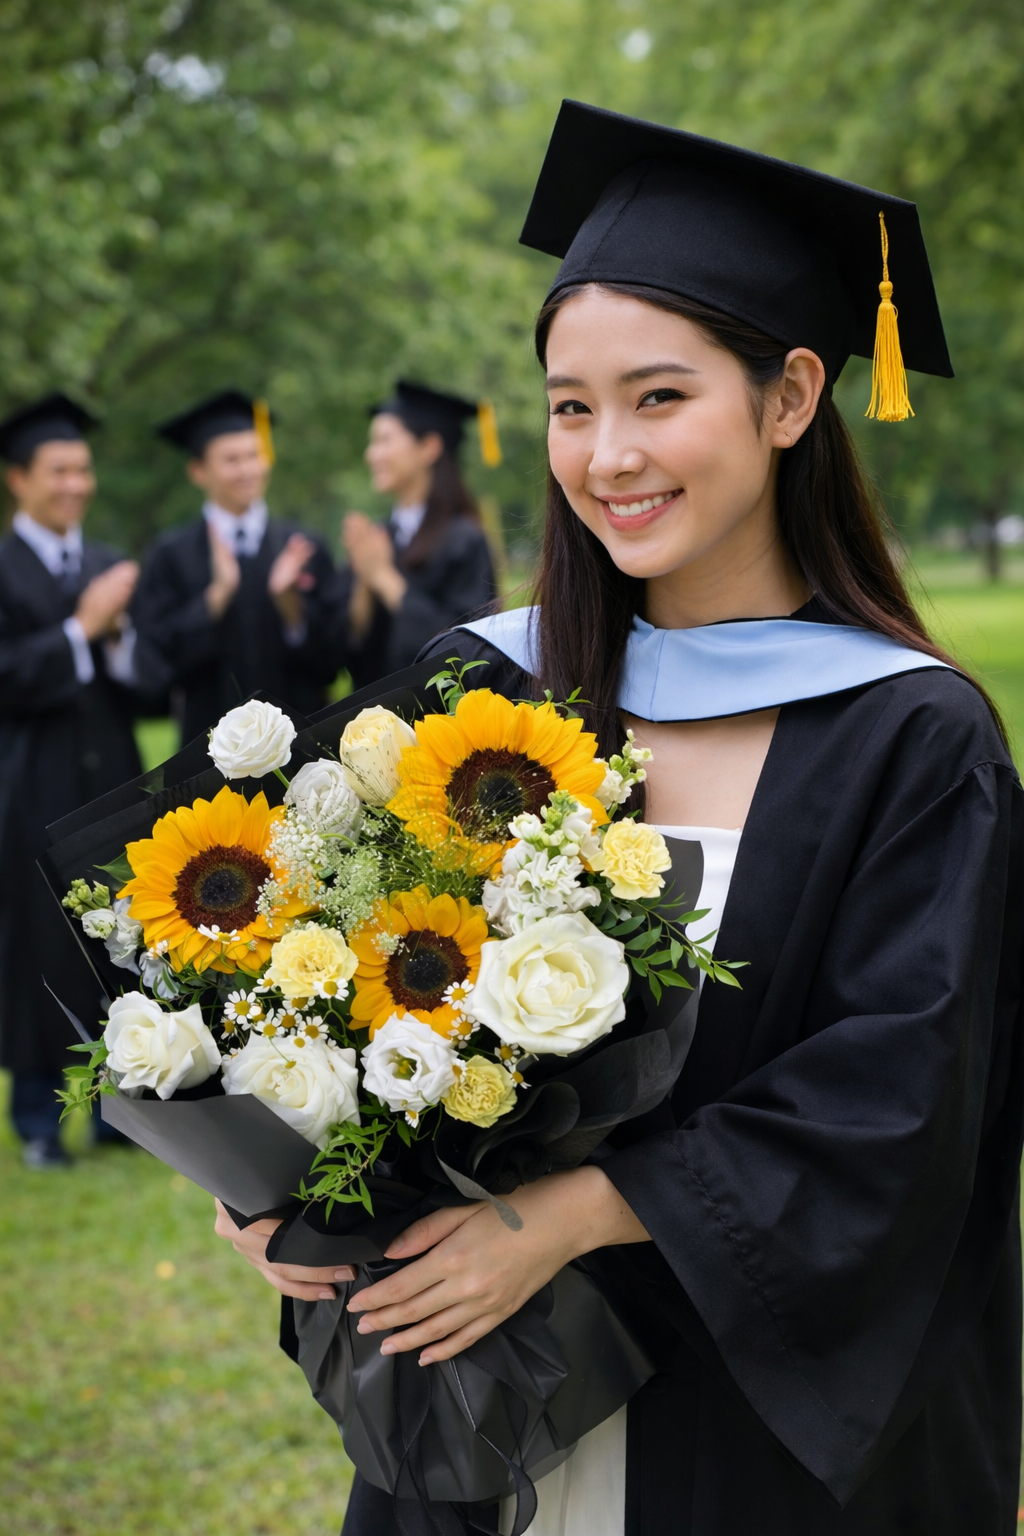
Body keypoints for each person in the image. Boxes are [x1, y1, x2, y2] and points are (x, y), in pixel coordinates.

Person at [214, 103, 1024, 1536]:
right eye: (570, 404)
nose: (606, 457)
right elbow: (320, 973)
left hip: (748, 1423)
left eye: (660, 398)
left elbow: (904, 1102)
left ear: (790, 401)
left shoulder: (914, 737)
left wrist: (571, 1216)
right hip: (482, 1403)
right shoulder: (478, 694)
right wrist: (283, 1179)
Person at [0, 393, 142, 1167]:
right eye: (59, 470)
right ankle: (39, 1119)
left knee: (115, 942)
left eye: (83, 470)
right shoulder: (4, 567)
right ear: (19, 479)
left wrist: (117, 639)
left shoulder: (104, 563)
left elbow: (147, 685)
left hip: (106, 783)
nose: (75, 484)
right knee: (38, 946)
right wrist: (78, 631)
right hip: (26, 787)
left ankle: (121, 1113)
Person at [133, 391, 338, 744]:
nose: (248, 470)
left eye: (254, 455)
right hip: (207, 752)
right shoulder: (169, 555)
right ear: (198, 470)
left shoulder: (303, 545)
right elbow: (155, 667)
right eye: (231, 460)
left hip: (300, 745)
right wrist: (215, 598)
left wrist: (290, 606)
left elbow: (331, 663)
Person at [337, 381, 497, 688]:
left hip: (439, 725)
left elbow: (466, 653)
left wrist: (385, 579)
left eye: (384, 440)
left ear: (428, 448)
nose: (372, 455)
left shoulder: (465, 539)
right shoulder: (380, 537)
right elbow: (349, 653)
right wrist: (364, 582)